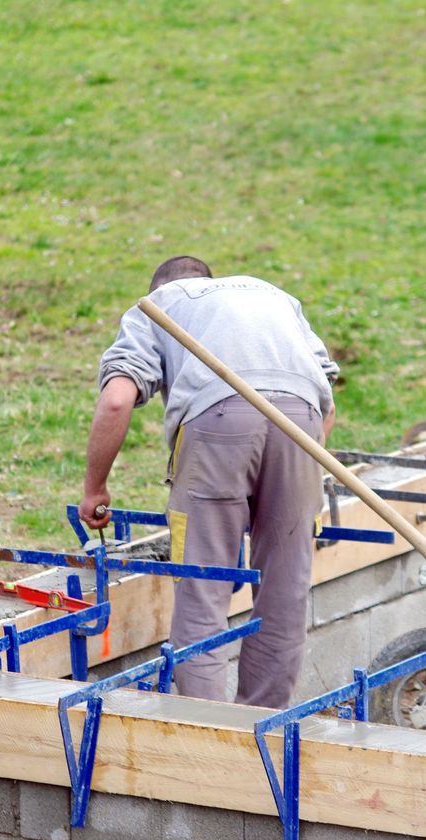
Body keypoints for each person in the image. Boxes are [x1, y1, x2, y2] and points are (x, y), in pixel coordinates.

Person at [79, 255, 338, 708]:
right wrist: (287, 477)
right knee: (285, 590)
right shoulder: (273, 296)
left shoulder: (156, 305)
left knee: (203, 589)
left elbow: (118, 401)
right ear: (211, 281)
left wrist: (94, 489)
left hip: (216, 423)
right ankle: (265, 724)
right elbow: (327, 401)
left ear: (159, 285)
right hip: (303, 422)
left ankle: (207, 726)